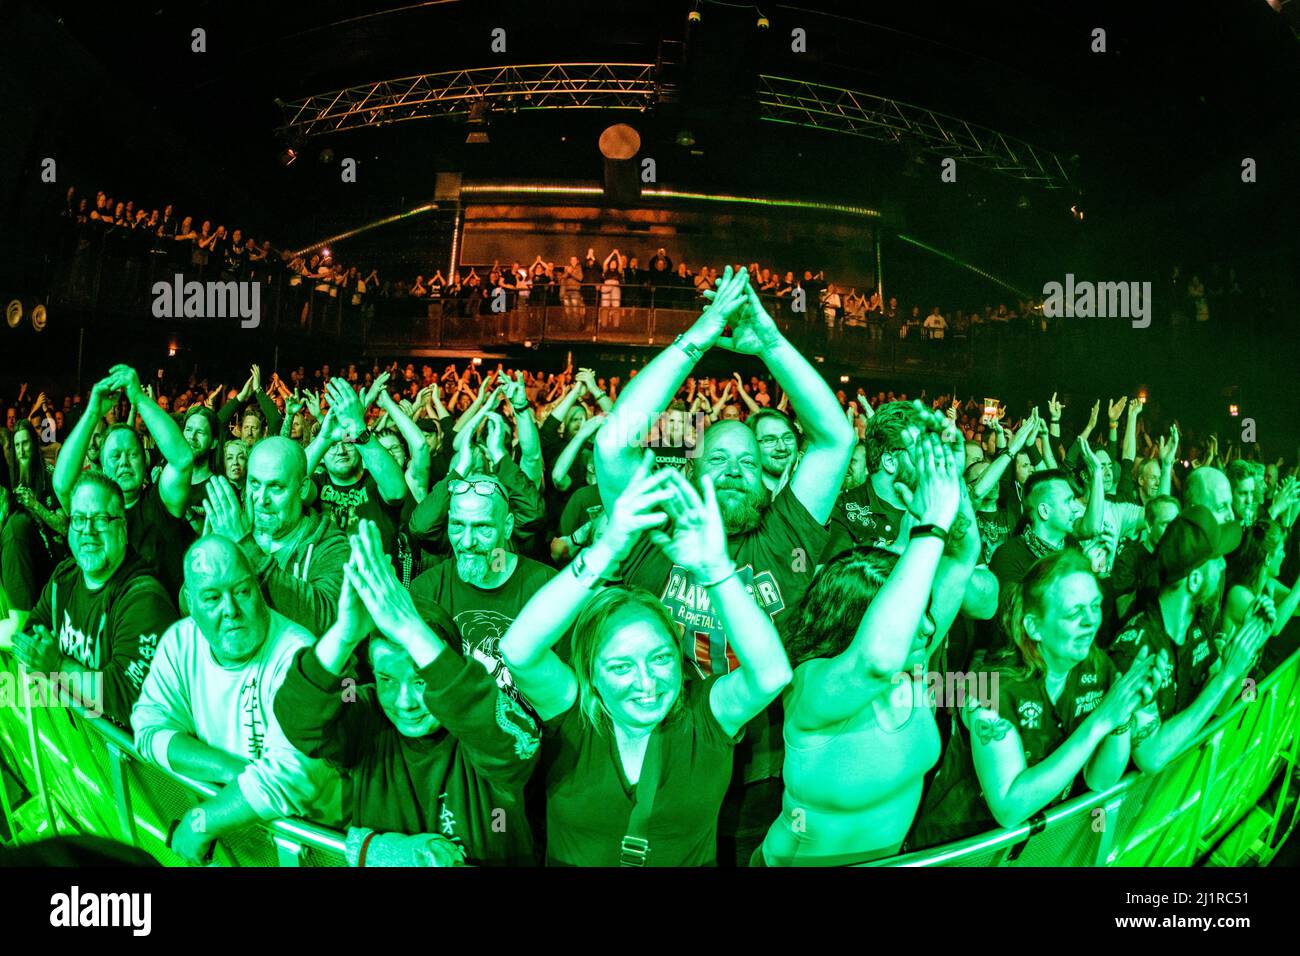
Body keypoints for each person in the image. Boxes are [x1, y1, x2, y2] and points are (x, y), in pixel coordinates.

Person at [500, 458, 793, 866]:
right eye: (620, 666)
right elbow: (518, 651)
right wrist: (605, 552)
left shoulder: (704, 717)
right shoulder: (573, 717)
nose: (646, 682)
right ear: (591, 673)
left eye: (659, 658)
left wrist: (716, 569)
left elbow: (771, 674)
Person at [761, 429, 979, 865]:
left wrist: (949, 483)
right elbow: (877, 659)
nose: (928, 629)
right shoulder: (811, 686)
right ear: (856, 622)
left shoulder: (912, 660)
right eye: (914, 618)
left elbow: (963, 556)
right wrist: (929, 527)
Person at [275, 521, 540, 866]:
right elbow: (298, 717)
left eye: (419, 681)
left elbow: (513, 747)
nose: (404, 702)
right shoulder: (365, 716)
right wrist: (344, 633)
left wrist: (410, 626)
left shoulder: (482, 723)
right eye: (386, 679)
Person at [914, 549, 1160, 846]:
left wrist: (1122, 718)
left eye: (1095, 606)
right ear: (1034, 626)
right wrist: (1101, 721)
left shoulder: (1097, 666)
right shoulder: (989, 689)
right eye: (1073, 612)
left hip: (1033, 849)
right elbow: (1009, 806)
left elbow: (1100, 780)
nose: (1090, 621)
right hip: (961, 849)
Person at [131, 536, 342, 864]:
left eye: (241, 591)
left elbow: (292, 777)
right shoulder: (180, 642)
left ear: (258, 587)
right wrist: (238, 772)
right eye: (212, 598)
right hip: (240, 846)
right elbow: (147, 727)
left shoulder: (298, 655)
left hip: (310, 852)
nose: (230, 609)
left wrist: (202, 822)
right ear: (190, 601)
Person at [1109, 505, 1274, 774]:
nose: (1223, 566)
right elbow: (1150, 755)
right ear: (1194, 580)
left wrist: (1245, 648)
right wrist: (1225, 675)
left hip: (1178, 788)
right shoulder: (1137, 649)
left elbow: (1217, 706)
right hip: (1134, 809)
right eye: (1217, 559)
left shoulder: (1197, 626)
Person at [12, 472, 176, 726]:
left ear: (122, 526)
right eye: (78, 519)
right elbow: (33, 632)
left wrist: (57, 664)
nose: (87, 530)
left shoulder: (144, 600)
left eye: (100, 519)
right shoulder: (64, 576)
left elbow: (125, 698)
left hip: (124, 761)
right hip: (81, 750)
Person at [409, 470, 557, 712]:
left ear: (507, 527)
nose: (467, 541)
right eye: (457, 525)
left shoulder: (546, 587)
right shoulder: (426, 589)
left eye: (482, 527)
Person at [54, 365, 195, 597]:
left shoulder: (162, 502)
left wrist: (138, 397)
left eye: (132, 454)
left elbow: (182, 460)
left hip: (159, 623)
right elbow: (62, 484)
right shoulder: (95, 511)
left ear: (144, 461)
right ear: (102, 465)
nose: (124, 462)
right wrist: (92, 413)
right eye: (115, 456)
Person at [202, 438, 347, 636]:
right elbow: (189, 604)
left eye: (275, 487)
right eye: (254, 484)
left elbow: (325, 620)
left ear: (303, 488)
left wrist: (245, 547)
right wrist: (209, 559)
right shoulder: (230, 529)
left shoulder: (330, 543)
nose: (262, 499)